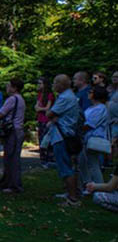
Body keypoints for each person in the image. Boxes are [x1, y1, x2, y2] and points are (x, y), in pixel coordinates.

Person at [45, 74, 81, 206]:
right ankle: (70, 193)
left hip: (62, 136)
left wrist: (51, 114)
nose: (53, 85)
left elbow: (49, 114)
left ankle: (72, 198)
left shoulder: (65, 97)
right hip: (66, 134)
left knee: (65, 167)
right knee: (67, 165)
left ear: (61, 84)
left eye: (55, 82)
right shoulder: (70, 96)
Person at [0, 78, 26, 193]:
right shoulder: (21, 99)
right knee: (12, 157)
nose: (7, 88)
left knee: (11, 158)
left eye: (9, 86)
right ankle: (6, 182)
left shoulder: (12, 99)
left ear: (14, 88)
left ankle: (14, 185)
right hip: (18, 130)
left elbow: (1, 113)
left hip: (12, 131)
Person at [79, 86, 108, 194]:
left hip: (93, 138)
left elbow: (90, 124)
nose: (88, 93)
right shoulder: (91, 107)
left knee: (93, 163)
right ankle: (89, 185)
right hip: (86, 138)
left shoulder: (100, 108)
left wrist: (78, 128)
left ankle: (99, 187)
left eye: (90, 92)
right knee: (83, 161)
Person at [35, 77, 55, 168]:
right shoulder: (39, 94)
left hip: (47, 120)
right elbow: (37, 106)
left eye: (40, 83)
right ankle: (43, 159)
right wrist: (39, 108)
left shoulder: (50, 95)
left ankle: (49, 159)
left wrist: (40, 109)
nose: (38, 85)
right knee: (41, 139)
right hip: (40, 119)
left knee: (46, 140)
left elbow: (48, 108)